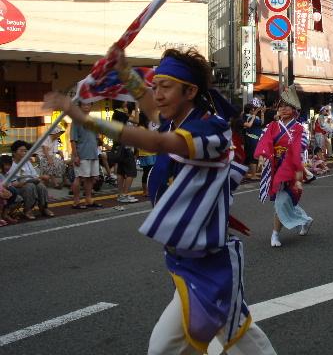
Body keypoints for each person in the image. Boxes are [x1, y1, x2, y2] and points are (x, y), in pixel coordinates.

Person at [44, 46, 276, 354]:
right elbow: (149, 106)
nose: (158, 95)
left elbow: (156, 141)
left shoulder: (209, 129)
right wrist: (124, 69)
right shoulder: (174, 122)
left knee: (228, 337)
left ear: (190, 91)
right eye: (156, 87)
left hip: (210, 263)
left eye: (165, 87)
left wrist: (84, 119)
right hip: (186, 260)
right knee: (191, 341)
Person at [255, 85, 313, 248]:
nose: (283, 109)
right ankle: (305, 220)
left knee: (283, 201)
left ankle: (275, 234)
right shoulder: (271, 126)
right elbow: (263, 142)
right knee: (284, 202)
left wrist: (288, 163)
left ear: (294, 110)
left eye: (287, 106)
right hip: (274, 168)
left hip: (292, 170)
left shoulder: (300, 129)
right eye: (281, 106)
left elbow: (301, 146)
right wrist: (263, 156)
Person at [70, 102, 103, 210]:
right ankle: (76, 202)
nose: (86, 106)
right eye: (84, 105)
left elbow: (97, 138)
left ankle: (88, 200)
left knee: (90, 178)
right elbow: (73, 140)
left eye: (88, 105)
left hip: (93, 153)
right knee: (79, 177)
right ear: (79, 107)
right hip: (81, 154)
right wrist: (75, 156)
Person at [9, 140, 54, 219]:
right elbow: (12, 183)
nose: (24, 153)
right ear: (14, 152)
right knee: (30, 186)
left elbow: (35, 176)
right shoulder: (11, 165)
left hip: (30, 183)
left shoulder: (27, 162)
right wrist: (24, 183)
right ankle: (27, 210)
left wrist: (40, 178)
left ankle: (44, 208)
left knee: (41, 186)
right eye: (21, 151)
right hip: (18, 187)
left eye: (25, 151)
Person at [111, 102, 139, 204]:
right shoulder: (121, 114)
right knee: (131, 172)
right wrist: (137, 108)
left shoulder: (116, 114)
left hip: (119, 147)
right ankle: (125, 195)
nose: (126, 104)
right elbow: (137, 121)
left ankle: (120, 194)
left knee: (121, 173)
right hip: (126, 148)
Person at [137, 111, 158, 197]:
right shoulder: (141, 128)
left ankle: (148, 190)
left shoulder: (146, 127)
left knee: (150, 172)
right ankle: (145, 191)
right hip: (146, 153)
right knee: (147, 172)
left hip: (151, 153)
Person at [242, 101, 265, 181]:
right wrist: (255, 114)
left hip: (256, 138)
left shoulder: (254, 116)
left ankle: (250, 173)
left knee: (254, 155)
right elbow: (249, 124)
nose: (254, 109)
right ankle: (253, 174)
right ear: (250, 110)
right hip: (251, 138)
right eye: (253, 109)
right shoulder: (247, 117)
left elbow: (261, 123)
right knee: (252, 155)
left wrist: (262, 113)